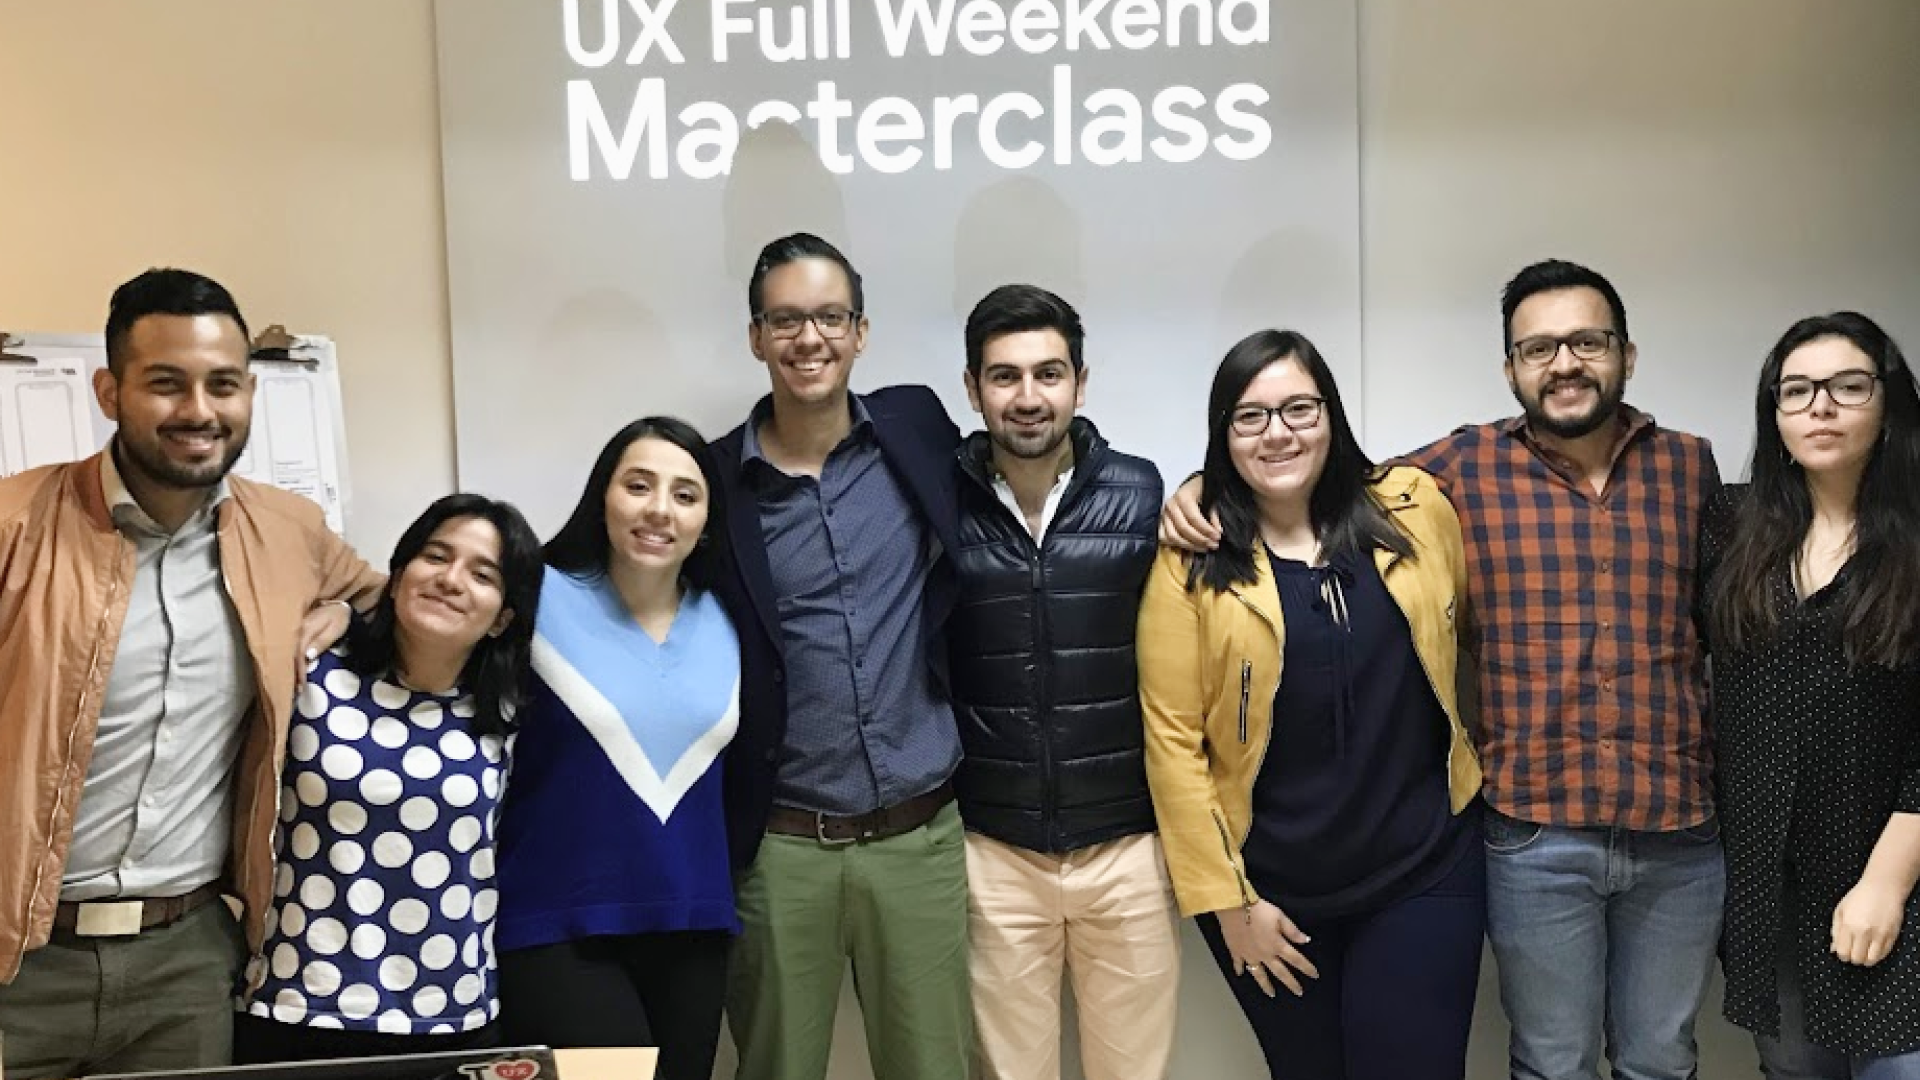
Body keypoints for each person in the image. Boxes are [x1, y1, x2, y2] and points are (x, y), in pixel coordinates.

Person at [1162, 260, 1725, 1080]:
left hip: (1676, 827)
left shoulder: (1690, 469)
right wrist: (1201, 485)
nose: (1563, 363)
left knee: (1663, 1059)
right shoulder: (1453, 473)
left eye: (1586, 342)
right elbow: (1312, 471)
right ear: (1511, 369)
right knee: (1552, 1062)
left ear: (1626, 355)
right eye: (1538, 348)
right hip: (1537, 827)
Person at [0, 268, 384, 1080]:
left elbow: (395, 603)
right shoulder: (14, 525)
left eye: (224, 385)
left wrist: (349, 614)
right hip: (18, 965)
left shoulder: (289, 533)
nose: (200, 412)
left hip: (187, 965)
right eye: (166, 385)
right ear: (109, 391)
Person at [1137, 329, 1484, 1080]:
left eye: (1299, 408)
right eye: (1250, 417)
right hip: (1270, 896)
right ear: (1222, 435)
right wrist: (1229, 905)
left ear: (1331, 415)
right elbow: (1171, 743)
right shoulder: (1191, 560)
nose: (1279, 433)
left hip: (1423, 867)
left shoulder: (1415, 507)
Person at [709, 233, 972, 1080]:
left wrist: (1182, 493)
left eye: (829, 316)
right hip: (782, 850)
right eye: (785, 319)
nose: (808, 338)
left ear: (861, 332)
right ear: (756, 337)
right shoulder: (712, 486)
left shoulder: (918, 426)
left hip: (918, 839)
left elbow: (1031, 439)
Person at [948, 284, 1175, 1080]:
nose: (1028, 397)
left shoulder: (1144, 493)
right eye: (1004, 376)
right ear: (972, 388)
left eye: (1048, 373)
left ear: (1080, 381)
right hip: (993, 849)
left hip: (1128, 848)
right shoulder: (937, 502)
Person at [235, 494, 543, 1062]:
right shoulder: (310, 673)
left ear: (503, 617)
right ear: (397, 577)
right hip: (299, 1000)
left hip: (453, 1013)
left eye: (482, 574)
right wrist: (343, 610)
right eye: (435, 557)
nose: (451, 580)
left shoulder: (511, 717)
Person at [1704, 312, 1920, 1078]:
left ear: (1888, 402)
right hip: (1769, 890)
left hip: (1896, 873)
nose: (1819, 406)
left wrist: (1887, 885)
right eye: (1796, 391)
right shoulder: (1729, 529)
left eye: (1846, 386)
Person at [495, 417, 740, 1080]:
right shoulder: (531, 597)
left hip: (694, 922)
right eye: (639, 485)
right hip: (555, 924)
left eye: (685, 495)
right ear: (603, 494)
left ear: (709, 519)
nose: (659, 508)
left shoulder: (731, 620)